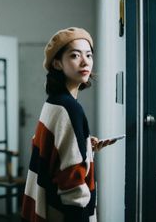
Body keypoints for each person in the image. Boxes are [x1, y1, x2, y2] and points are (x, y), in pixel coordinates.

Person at [21, 27, 115, 222]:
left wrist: (84, 146)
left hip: (48, 206)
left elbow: (51, 151)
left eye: (89, 55)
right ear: (57, 63)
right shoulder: (70, 108)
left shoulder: (53, 103)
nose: (85, 61)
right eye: (75, 55)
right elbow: (71, 184)